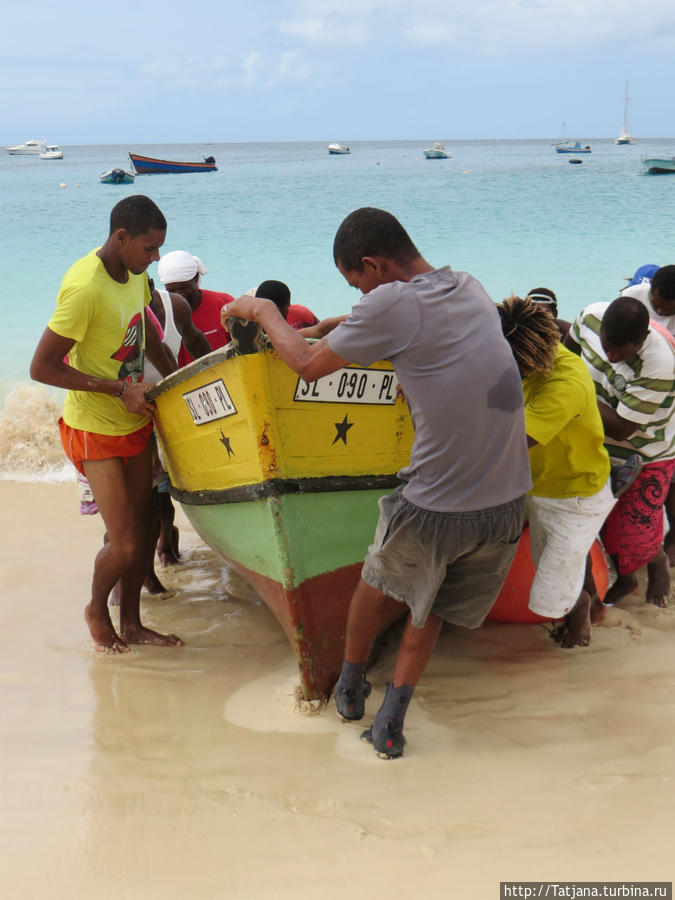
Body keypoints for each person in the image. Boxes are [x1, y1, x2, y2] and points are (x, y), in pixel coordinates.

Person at [224, 207, 531, 759]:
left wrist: (266, 312)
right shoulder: (468, 287)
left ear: (372, 264)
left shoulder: (390, 302)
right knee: (429, 606)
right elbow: (399, 319)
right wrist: (336, 326)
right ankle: (391, 719)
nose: (361, 296)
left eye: (357, 284)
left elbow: (307, 366)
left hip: (437, 504)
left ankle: (348, 687)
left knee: (374, 587)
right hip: (507, 502)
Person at [30, 195, 183, 653]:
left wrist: (175, 375)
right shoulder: (84, 287)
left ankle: (132, 623)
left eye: (160, 249)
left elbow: (146, 332)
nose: (155, 258)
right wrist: (120, 390)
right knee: (126, 545)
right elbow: (42, 368)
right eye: (149, 248)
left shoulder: (135, 276)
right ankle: (97, 609)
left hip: (132, 422)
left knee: (145, 524)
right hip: (93, 427)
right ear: (121, 237)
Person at [497, 296, 615, 647]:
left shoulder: (564, 384)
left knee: (552, 596)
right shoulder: (526, 355)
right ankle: (593, 608)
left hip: (575, 496)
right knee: (565, 566)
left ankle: (580, 630)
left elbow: (509, 447)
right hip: (538, 484)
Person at [564, 297, 675, 607]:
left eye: (621, 352)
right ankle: (625, 577)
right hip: (593, 439)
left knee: (632, 532)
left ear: (643, 340)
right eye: (606, 346)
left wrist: (575, 393)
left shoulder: (659, 365)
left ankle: (657, 564)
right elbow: (567, 353)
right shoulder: (590, 317)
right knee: (595, 521)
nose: (610, 356)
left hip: (644, 449)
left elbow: (622, 428)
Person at [146, 277, 212, 568]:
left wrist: (217, 374)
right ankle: (157, 550)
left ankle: (167, 540)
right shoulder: (118, 308)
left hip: (168, 406)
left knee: (169, 483)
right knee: (148, 490)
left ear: (149, 283)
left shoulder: (174, 306)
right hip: (132, 409)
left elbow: (195, 341)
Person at [621, 266, 675, 564]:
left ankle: (672, 536)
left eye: (669, 308)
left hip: (670, 394)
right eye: (658, 305)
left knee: (670, 472)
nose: (662, 310)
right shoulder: (633, 298)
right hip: (636, 385)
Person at [157, 250, 234, 365]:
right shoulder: (158, 313)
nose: (178, 295)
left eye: (184, 288)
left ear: (196, 278)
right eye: (171, 290)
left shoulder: (224, 303)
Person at [252, 279, 347, 339]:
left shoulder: (301, 314)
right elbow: (321, 329)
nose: (289, 309)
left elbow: (321, 330)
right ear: (280, 310)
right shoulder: (288, 335)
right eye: (288, 306)